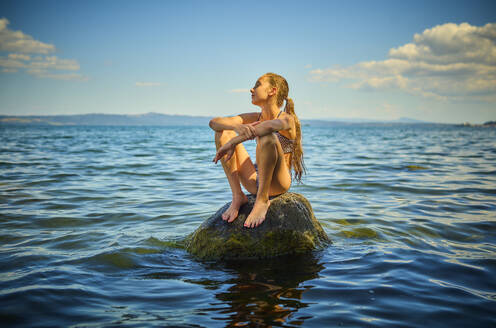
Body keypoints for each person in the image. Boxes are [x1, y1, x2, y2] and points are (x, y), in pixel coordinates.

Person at [210, 73, 305, 228]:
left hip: (277, 182)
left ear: (272, 91)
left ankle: (262, 200)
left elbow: (267, 127)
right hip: (254, 179)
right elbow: (214, 123)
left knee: (267, 137)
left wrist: (234, 142)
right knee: (223, 132)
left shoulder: (287, 119)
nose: (251, 89)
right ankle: (238, 195)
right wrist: (236, 127)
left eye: (257, 85)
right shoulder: (255, 116)